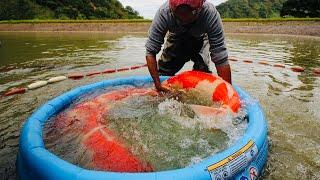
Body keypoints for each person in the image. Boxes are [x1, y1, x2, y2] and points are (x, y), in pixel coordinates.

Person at [145, 0, 231, 92]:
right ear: (171, 9)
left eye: (189, 15)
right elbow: (150, 52)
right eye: (179, 16)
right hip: (176, 37)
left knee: (203, 74)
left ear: (201, 7)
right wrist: (158, 85)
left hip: (201, 37)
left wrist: (229, 94)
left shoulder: (210, 13)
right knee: (163, 74)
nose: (184, 20)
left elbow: (221, 58)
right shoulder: (164, 13)